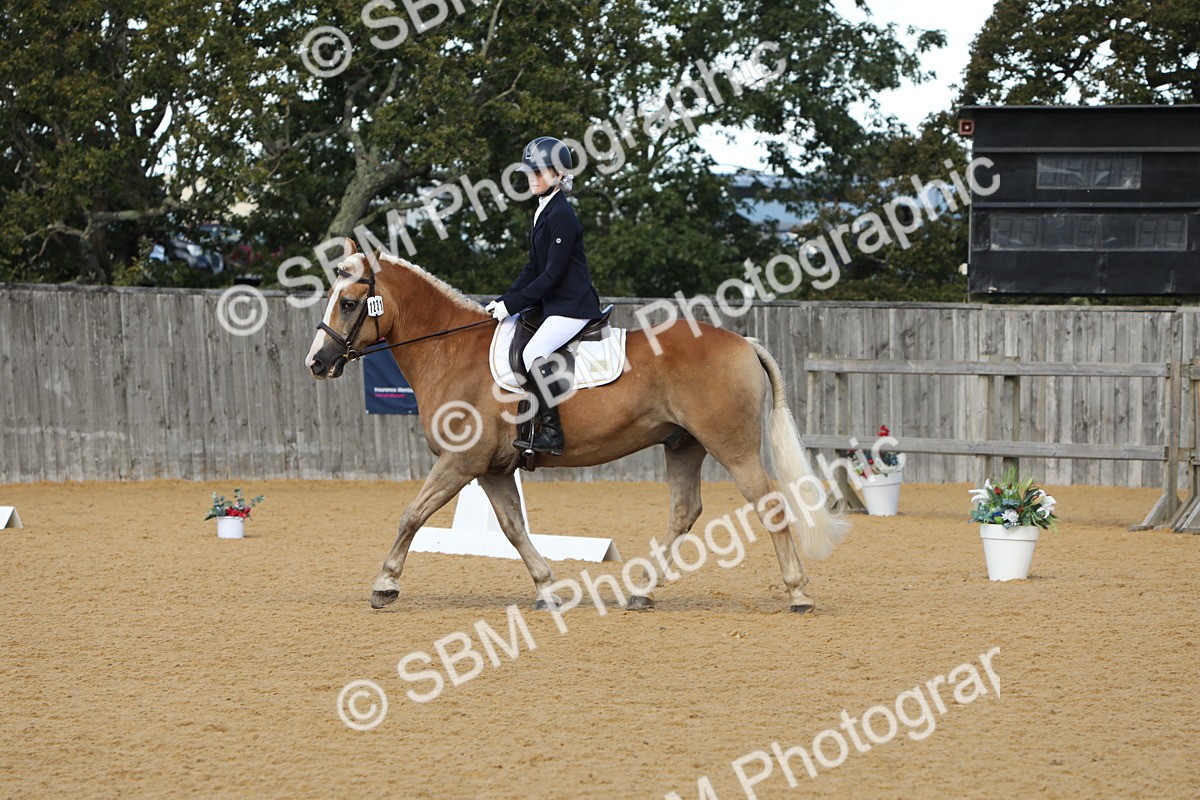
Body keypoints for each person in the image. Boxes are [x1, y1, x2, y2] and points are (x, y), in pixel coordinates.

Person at [485, 137, 603, 456]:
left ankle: (552, 433)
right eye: (529, 172)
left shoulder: (561, 214)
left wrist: (513, 304)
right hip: (555, 305)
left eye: (539, 171)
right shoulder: (544, 210)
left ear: (559, 174)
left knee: (533, 352)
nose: (532, 178)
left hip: (572, 307)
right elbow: (532, 267)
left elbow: (551, 276)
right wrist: (505, 300)